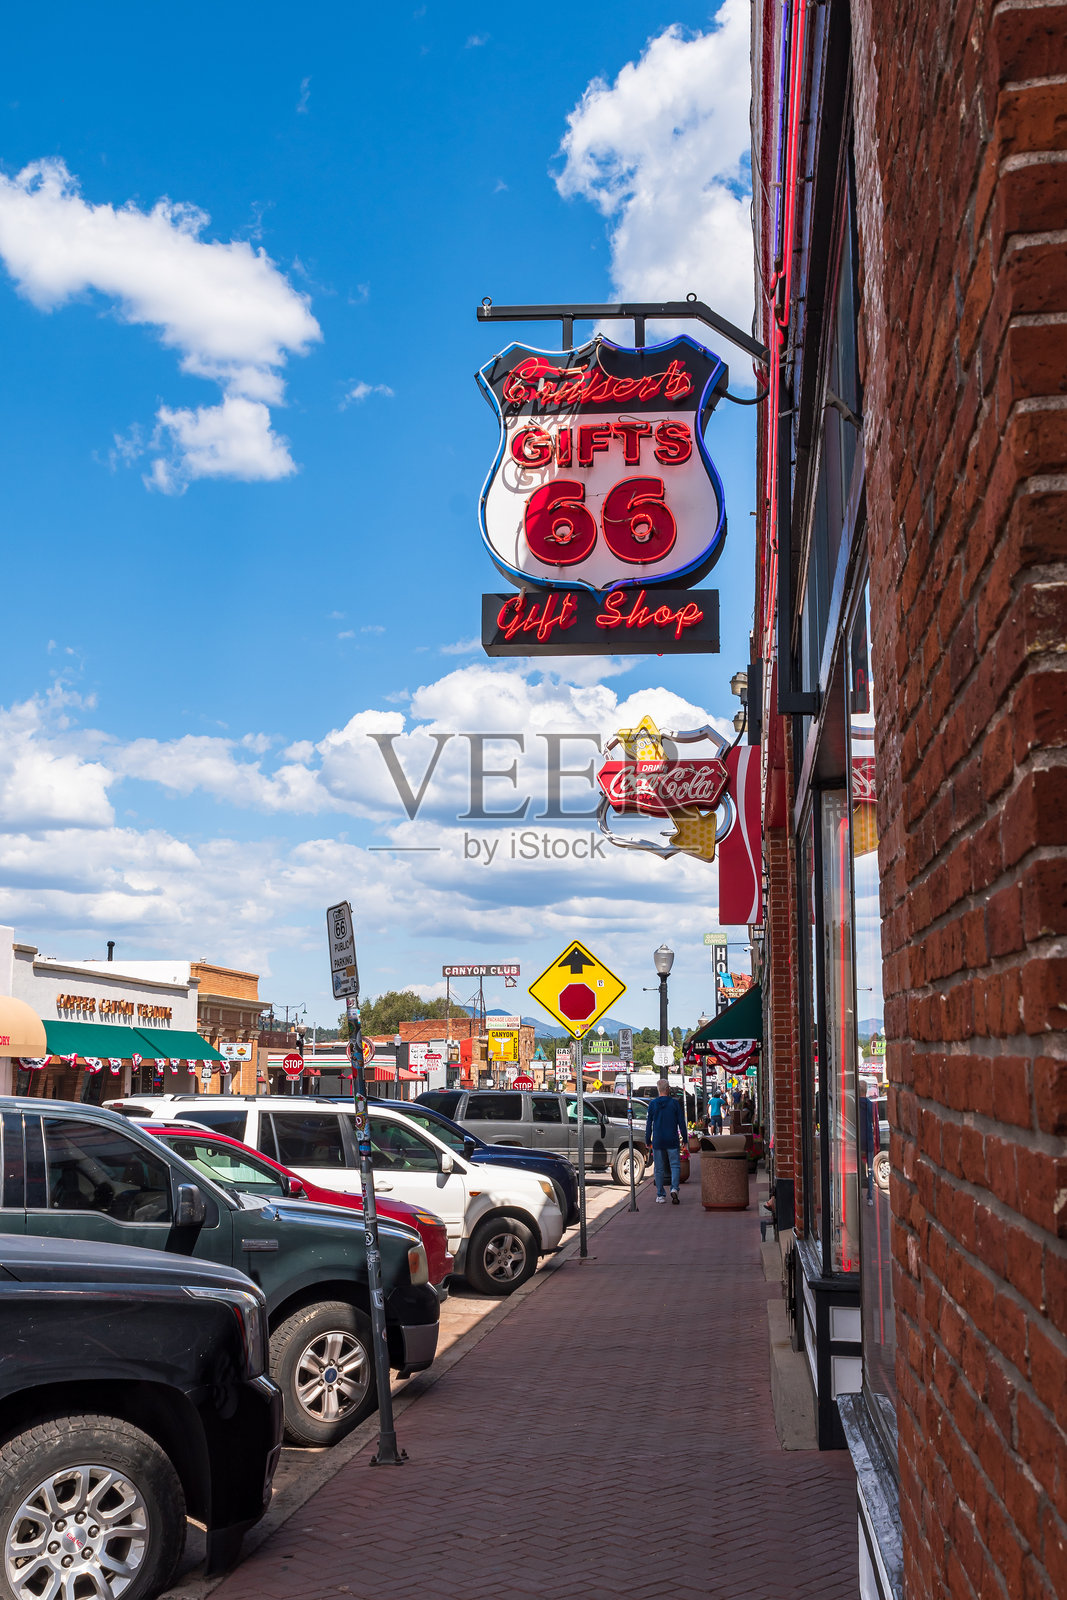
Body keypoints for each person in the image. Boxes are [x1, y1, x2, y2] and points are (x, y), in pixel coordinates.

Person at [644, 1079, 687, 1204]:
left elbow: (649, 1124)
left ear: (658, 1090)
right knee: (675, 1165)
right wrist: (685, 1138)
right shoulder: (674, 1104)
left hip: (658, 1140)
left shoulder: (653, 1104)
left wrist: (648, 1140)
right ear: (668, 1089)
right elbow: (681, 1123)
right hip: (672, 1139)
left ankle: (660, 1195)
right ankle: (674, 1188)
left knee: (658, 1168)